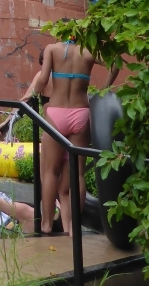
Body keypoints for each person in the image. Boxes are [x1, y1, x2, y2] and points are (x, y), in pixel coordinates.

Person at [28, 39, 118, 235]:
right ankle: (71, 227)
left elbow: (43, 80)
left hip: (56, 113)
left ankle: (46, 225)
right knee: (77, 174)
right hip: (80, 113)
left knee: (50, 172)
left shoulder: (51, 48)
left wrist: (26, 101)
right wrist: (103, 90)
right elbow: (115, 63)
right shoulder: (89, 50)